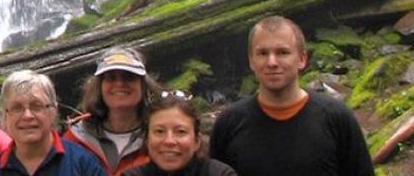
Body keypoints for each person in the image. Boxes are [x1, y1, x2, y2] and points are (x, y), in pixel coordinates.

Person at [209, 15, 374, 176]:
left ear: (302, 59)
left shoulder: (336, 118)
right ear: (251, 61)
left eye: (282, 52)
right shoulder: (228, 124)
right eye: (263, 53)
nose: (272, 62)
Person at [0, 71, 105, 176]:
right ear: (5, 116)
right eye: (17, 108)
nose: (27, 116)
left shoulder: (82, 163)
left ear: (54, 110)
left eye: (36, 106)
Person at [63, 47, 156, 175]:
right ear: (99, 87)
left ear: (143, 86)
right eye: (111, 78)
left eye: (128, 77)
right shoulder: (74, 139)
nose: (119, 84)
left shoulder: (160, 137)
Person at [120, 92, 233, 176]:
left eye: (180, 132)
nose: (169, 141)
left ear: (197, 141)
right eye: (159, 131)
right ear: (146, 139)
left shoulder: (220, 174)